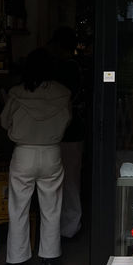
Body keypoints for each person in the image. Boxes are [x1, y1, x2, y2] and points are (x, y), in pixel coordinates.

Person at [0, 47, 72, 265]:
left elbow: (4, 121)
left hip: (23, 152)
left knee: (18, 208)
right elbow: (68, 119)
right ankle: (50, 258)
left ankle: (16, 262)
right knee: (51, 208)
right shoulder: (63, 93)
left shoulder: (16, 93)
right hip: (51, 152)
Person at [45, 26, 89, 239]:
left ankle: (68, 227)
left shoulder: (67, 68)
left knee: (67, 181)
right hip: (70, 132)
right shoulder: (73, 67)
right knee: (69, 180)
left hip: (66, 132)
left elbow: (65, 100)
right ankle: (67, 226)